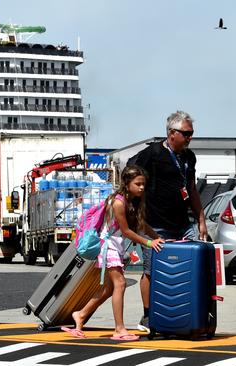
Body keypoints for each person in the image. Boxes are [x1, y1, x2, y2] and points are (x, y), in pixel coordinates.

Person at [62, 166, 164, 340]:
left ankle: (80, 315)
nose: (141, 187)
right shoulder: (118, 202)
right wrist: (149, 242)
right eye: (138, 184)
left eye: (143, 184)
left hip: (116, 245)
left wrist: (158, 237)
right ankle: (119, 329)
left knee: (110, 289)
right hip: (107, 245)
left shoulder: (133, 201)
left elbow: (141, 225)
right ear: (127, 183)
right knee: (121, 284)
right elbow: (126, 231)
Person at [128, 110, 207, 333]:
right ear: (172, 133)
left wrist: (200, 219)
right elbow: (131, 178)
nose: (190, 137)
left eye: (192, 133)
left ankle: (183, 313)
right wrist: (134, 213)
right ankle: (147, 316)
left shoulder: (189, 158)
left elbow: (191, 189)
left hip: (183, 223)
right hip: (155, 225)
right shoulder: (152, 154)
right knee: (152, 270)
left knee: (192, 266)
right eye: (187, 133)